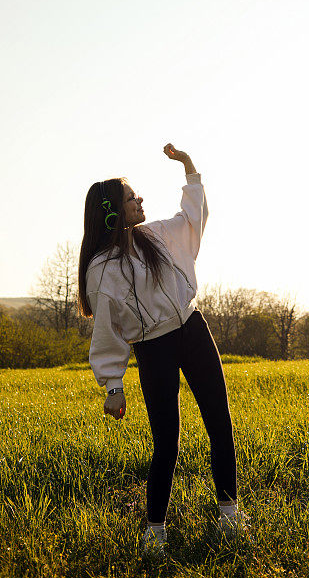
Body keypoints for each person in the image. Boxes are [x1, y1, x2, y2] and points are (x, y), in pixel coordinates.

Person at [78, 143, 248, 557]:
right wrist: (113, 385)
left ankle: (229, 515)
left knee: (219, 424)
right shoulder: (101, 270)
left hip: (192, 330)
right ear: (112, 212)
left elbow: (193, 219)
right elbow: (107, 332)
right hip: (152, 349)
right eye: (132, 197)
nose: (140, 201)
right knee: (166, 444)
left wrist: (191, 171)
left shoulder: (155, 235)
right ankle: (155, 532)